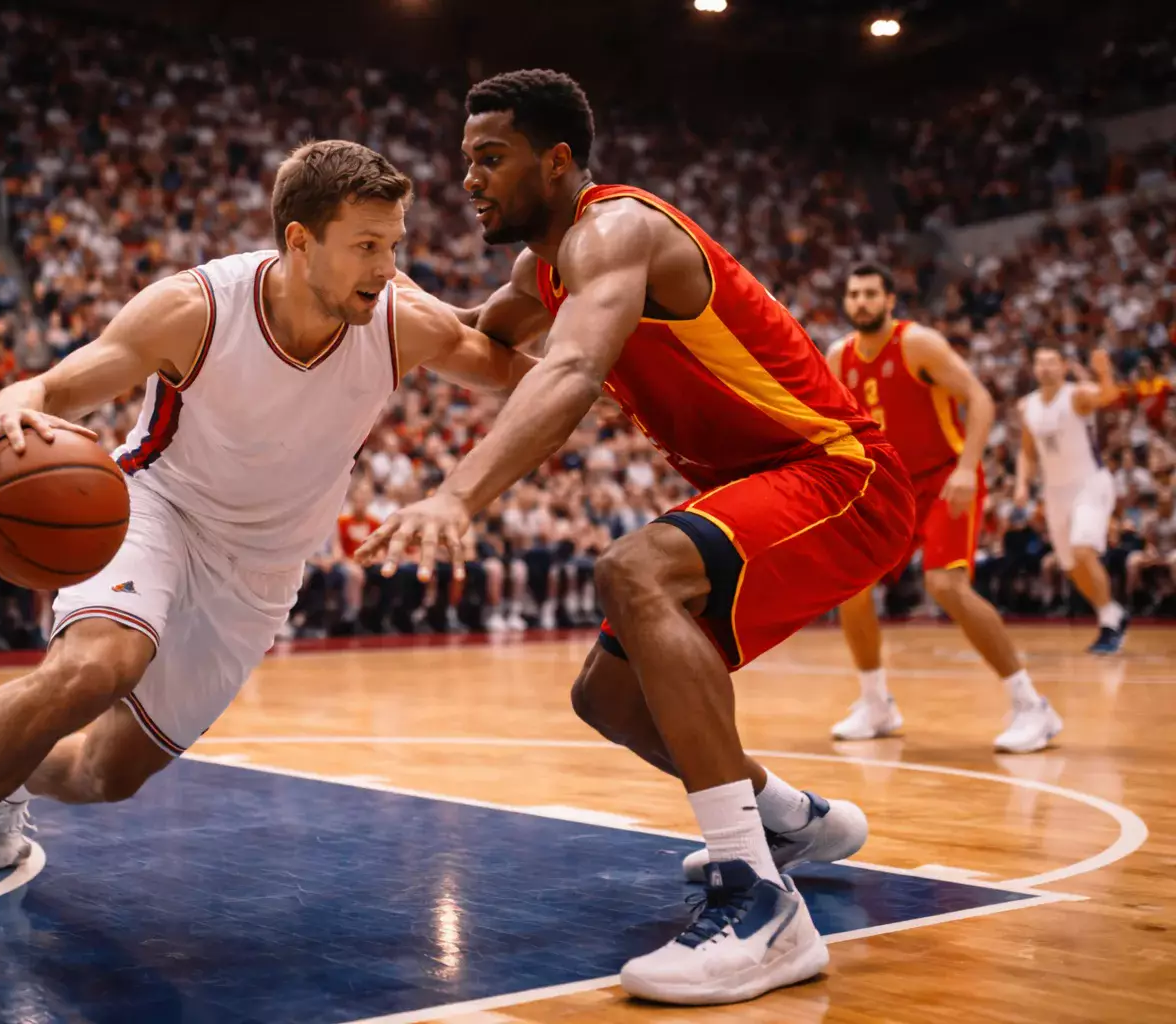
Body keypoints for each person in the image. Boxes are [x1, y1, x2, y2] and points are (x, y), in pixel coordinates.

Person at [0, 139, 535, 976]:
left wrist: (597, 331)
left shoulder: (398, 322)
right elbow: (49, 388)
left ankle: (7, 778)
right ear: (300, 240)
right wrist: (7, 410)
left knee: (105, 773)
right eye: (369, 245)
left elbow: (518, 372)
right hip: (155, 511)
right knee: (97, 668)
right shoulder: (194, 309)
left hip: (263, 571)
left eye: (396, 245)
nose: (389, 267)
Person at [356, 71, 914, 1005]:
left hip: (841, 475)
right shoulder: (543, 270)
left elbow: (571, 367)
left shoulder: (616, 231)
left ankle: (757, 900)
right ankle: (786, 821)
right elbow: (481, 349)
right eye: (465, 163)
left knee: (633, 570)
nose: (470, 181)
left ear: (558, 159)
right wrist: (373, 304)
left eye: (491, 158)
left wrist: (459, 494)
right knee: (608, 698)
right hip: (766, 487)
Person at [828, 265, 1061, 752]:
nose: (862, 301)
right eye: (854, 294)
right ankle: (876, 704)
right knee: (850, 581)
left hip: (946, 477)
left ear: (890, 299)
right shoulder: (838, 357)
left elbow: (979, 399)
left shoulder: (919, 344)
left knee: (945, 584)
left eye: (871, 293)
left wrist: (966, 468)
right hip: (892, 488)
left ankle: (1031, 706)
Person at [1017, 346, 1127, 652]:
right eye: (1040, 362)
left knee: (1082, 551)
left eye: (1052, 362)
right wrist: (1022, 484)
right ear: (1034, 369)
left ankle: (1109, 623)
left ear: (1064, 367)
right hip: (1055, 492)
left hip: (1089, 484)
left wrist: (1104, 372)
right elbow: (1027, 452)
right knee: (1070, 566)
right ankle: (1113, 612)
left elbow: (1108, 396)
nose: (1046, 367)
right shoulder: (1026, 406)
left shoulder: (1076, 395)